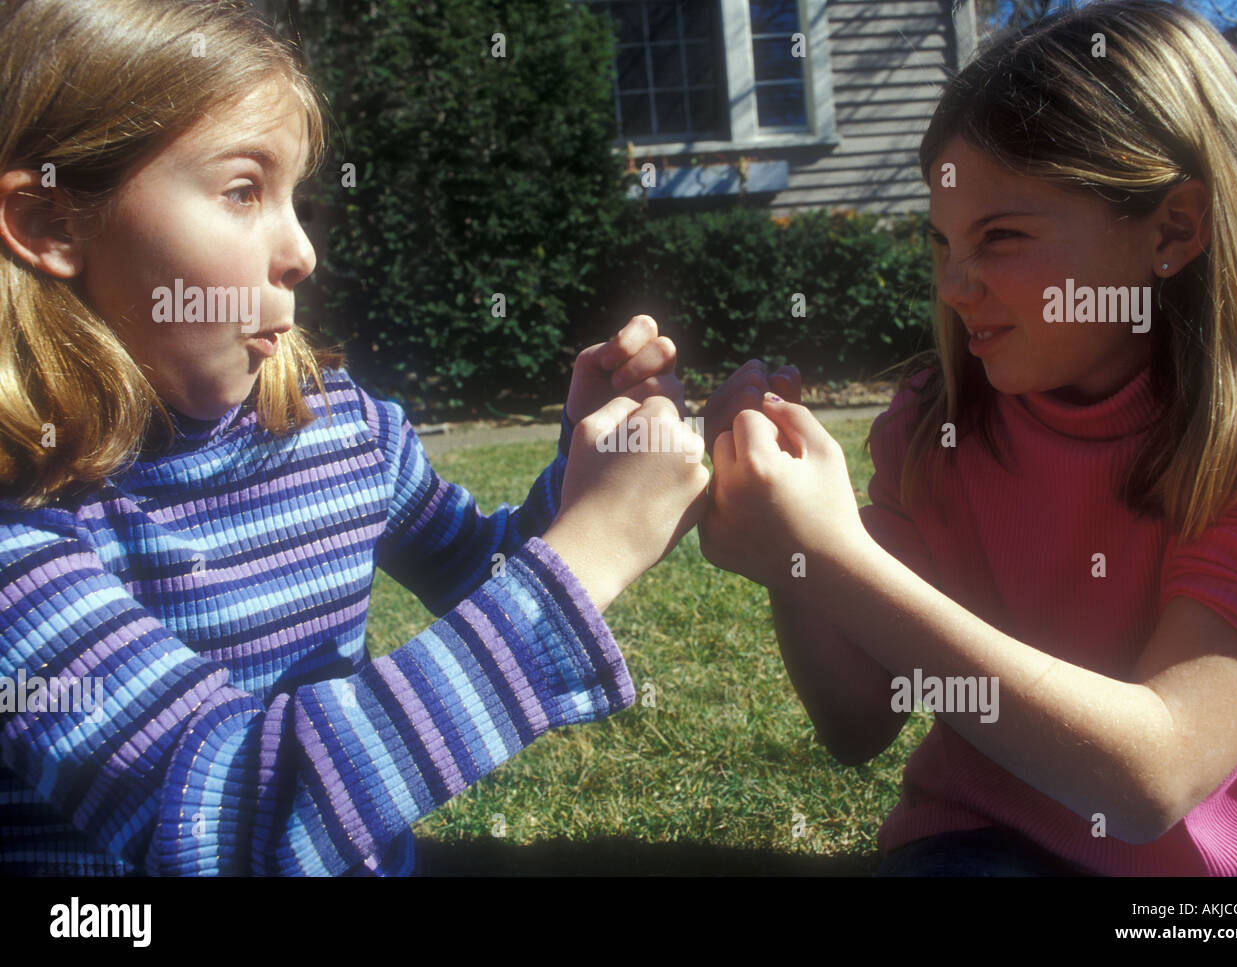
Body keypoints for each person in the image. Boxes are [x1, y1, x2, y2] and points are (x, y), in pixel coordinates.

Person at [0, 0, 707, 875]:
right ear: (52, 224)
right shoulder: (20, 536)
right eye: (242, 190)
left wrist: (592, 462)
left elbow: (486, 573)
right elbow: (229, 812)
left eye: (294, 194)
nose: (300, 250)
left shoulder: (346, 431)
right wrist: (592, 550)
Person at [700, 0, 1237, 875]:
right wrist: (789, 553)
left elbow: (1150, 778)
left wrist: (831, 557)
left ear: (1172, 229)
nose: (953, 284)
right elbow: (859, 719)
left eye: (1001, 237)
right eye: (942, 242)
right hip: (977, 847)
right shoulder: (932, 427)